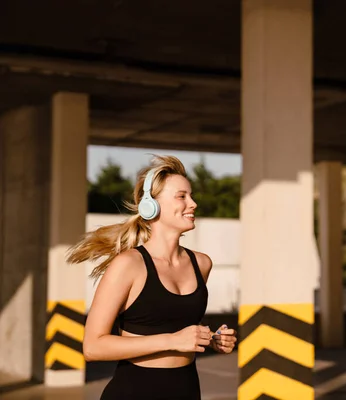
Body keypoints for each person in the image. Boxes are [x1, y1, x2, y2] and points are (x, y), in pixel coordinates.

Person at [67, 155, 237, 399]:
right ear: (151, 205)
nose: (193, 204)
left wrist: (211, 339)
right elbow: (93, 347)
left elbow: (172, 323)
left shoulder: (201, 264)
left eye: (191, 195)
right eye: (182, 196)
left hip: (187, 390)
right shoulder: (128, 265)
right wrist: (172, 340)